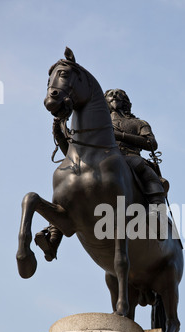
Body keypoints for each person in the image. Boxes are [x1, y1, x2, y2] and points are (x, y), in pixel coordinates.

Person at [35, 89, 167, 261]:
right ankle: (53, 238)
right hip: (101, 160)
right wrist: (59, 132)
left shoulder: (138, 123)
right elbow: (71, 150)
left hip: (129, 157)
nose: (113, 97)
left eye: (118, 95)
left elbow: (151, 143)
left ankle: (158, 216)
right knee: (69, 182)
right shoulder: (97, 123)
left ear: (125, 102)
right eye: (110, 95)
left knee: (147, 171)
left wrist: (119, 135)